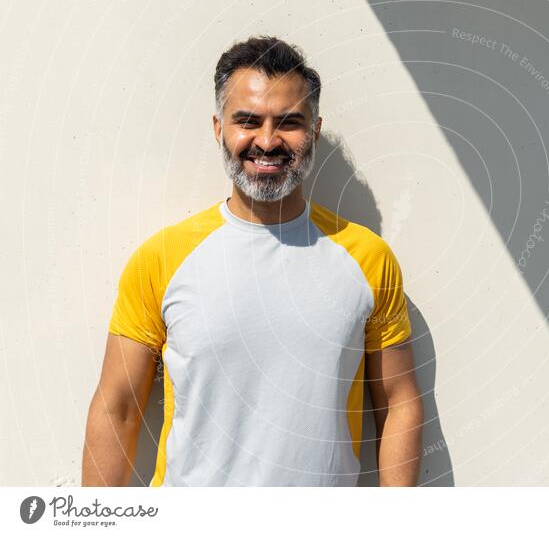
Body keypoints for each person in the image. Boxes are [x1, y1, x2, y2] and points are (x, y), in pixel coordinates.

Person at [81, 36, 423, 487]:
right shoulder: (161, 258)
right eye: (247, 120)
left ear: (315, 130)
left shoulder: (367, 258)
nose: (266, 140)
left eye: (288, 122)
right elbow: (117, 407)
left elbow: (399, 402)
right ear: (218, 127)